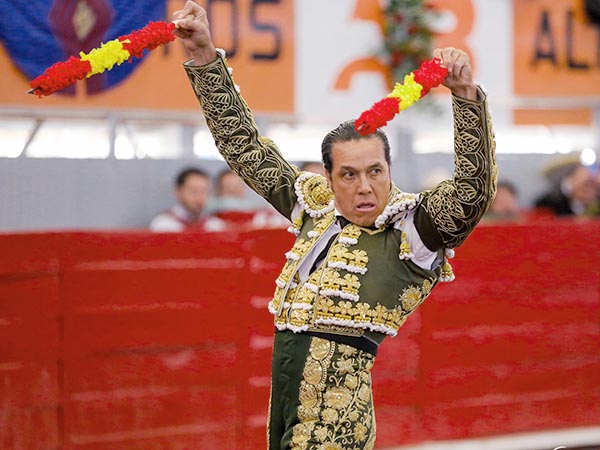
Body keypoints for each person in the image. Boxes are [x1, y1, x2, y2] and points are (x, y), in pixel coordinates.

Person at [173, 2, 497, 448]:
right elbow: (245, 149)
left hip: (337, 425)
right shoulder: (315, 206)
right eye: (349, 174)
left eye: (375, 171)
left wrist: (466, 98)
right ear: (328, 177)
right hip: (284, 410)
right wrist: (205, 57)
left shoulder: (412, 229)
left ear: (389, 168)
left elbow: (472, 192)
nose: (365, 186)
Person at [534, 155, 599, 217]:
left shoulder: (596, 207)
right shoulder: (548, 204)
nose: (590, 192)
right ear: (570, 180)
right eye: (586, 185)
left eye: (595, 188)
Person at [149, 166, 211, 231]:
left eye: (205, 191)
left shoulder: (213, 225)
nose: (200, 198)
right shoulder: (163, 224)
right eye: (194, 191)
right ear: (177, 191)